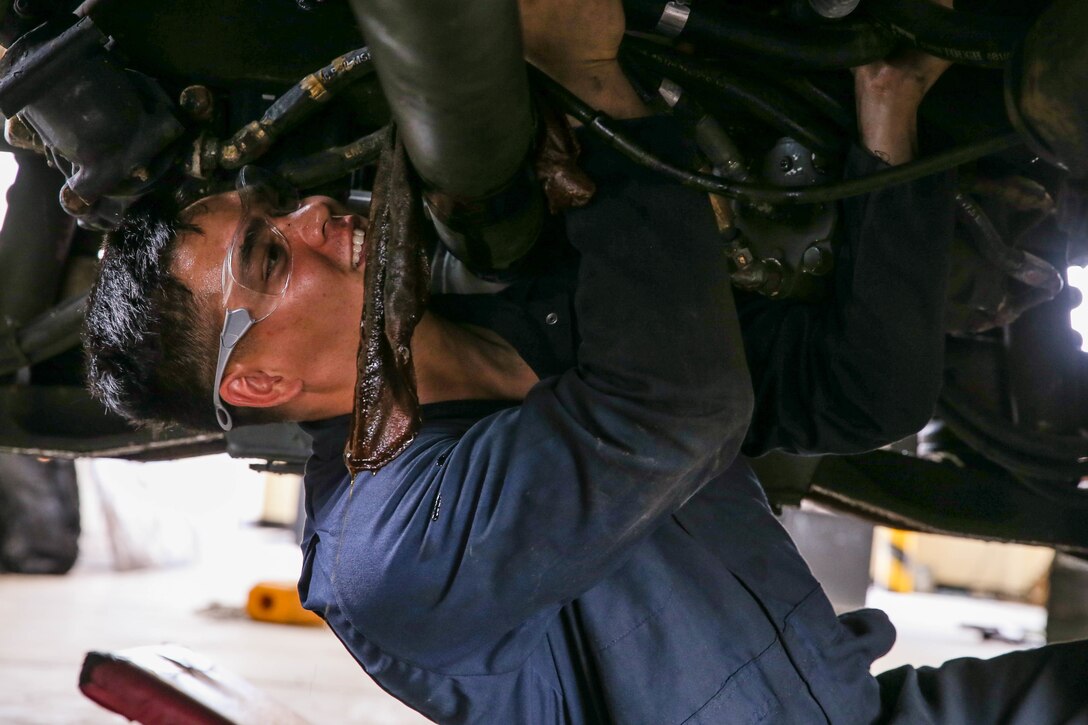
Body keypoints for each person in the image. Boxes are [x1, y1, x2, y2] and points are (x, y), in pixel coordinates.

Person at [82, 0, 1088, 722]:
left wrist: (886, 126)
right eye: (270, 255)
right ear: (256, 383)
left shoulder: (530, 329)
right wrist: (591, 79)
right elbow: (674, 406)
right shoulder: (383, 553)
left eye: (277, 205)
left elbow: (854, 387)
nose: (314, 216)